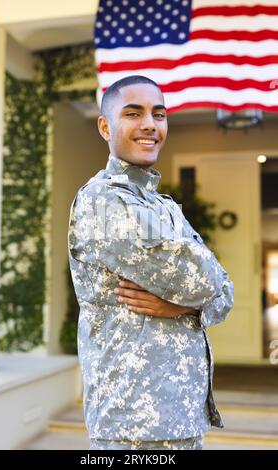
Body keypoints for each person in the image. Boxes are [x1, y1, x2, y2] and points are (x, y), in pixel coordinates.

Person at [68, 75, 234, 451]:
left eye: (159, 115)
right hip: (132, 426)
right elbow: (206, 284)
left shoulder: (163, 207)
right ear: (105, 126)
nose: (150, 124)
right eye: (133, 113)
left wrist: (180, 306)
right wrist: (198, 295)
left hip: (183, 415)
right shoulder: (103, 201)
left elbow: (225, 291)